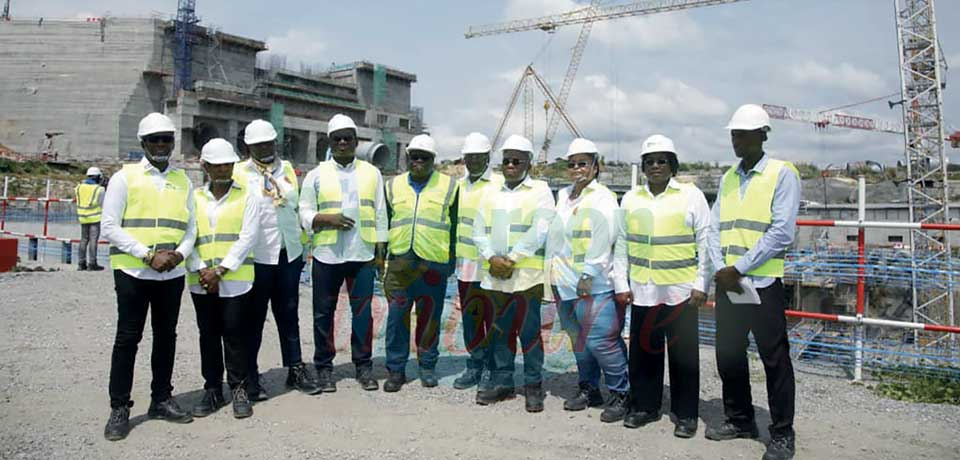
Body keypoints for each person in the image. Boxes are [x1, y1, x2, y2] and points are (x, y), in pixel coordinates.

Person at [707, 104, 800, 460]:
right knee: (728, 355)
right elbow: (715, 228)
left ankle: (782, 434)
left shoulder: (782, 174)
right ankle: (740, 418)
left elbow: (781, 232)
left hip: (760, 282)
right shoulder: (728, 177)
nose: (736, 141)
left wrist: (739, 268)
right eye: (733, 134)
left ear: (763, 135)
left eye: (743, 134)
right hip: (730, 283)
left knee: (774, 358)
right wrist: (721, 268)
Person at [101, 112, 196, 441]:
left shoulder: (183, 181)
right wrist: (147, 255)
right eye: (154, 139)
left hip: (170, 273)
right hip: (133, 271)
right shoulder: (124, 178)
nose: (160, 144)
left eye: (166, 139)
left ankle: (161, 399)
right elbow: (109, 226)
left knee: (166, 337)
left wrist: (179, 254)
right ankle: (119, 407)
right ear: (142, 143)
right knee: (128, 338)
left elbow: (192, 228)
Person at [613, 134, 711, 437]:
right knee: (644, 352)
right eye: (650, 161)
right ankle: (644, 406)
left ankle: (686, 414)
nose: (656, 166)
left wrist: (701, 283)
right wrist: (620, 281)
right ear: (643, 166)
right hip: (643, 289)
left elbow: (706, 241)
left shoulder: (691, 195)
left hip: (681, 290)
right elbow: (622, 244)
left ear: (672, 165)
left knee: (683, 356)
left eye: (662, 161)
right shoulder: (631, 199)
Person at [300, 114, 388, 392]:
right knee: (323, 313)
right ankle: (324, 368)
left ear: (355, 141)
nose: (342, 143)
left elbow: (380, 212)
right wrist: (326, 219)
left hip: (361, 253)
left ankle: (363, 366)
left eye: (347, 138)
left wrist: (381, 251)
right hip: (327, 254)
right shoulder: (316, 175)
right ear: (330, 141)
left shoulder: (371, 173)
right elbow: (303, 211)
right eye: (337, 138)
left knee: (363, 313)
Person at [547, 138, 629, 422]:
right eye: (572, 164)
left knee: (601, 340)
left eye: (583, 163)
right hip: (564, 282)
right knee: (578, 340)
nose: (576, 169)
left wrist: (589, 273)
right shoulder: (563, 195)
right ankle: (589, 388)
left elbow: (604, 236)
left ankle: (621, 393)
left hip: (592, 283)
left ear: (596, 166)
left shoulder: (603, 197)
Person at [472, 134, 554, 412]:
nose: (510, 164)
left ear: (528, 163)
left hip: (526, 278)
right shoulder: (491, 192)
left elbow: (540, 230)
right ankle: (502, 382)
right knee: (499, 332)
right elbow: (478, 229)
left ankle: (533, 387)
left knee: (529, 333)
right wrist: (491, 258)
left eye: (516, 160)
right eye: (506, 159)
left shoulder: (540, 190)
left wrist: (512, 259)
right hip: (495, 276)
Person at [238, 119, 319, 399]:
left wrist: (302, 249)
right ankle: (250, 375)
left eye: (269, 142)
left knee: (289, 313)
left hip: (288, 254)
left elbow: (295, 210)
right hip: (257, 256)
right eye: (258, 144)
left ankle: (295, 368)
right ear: (248, 146)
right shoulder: (239, 174)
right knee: (254, 318)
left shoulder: (287, 171)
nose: (265, 148)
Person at [186, 139, 260, 419]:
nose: (223, 170)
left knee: (235, 335)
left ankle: (239, 387)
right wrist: (202, 268)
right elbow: (188, 236)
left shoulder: (247, 196)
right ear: (205, 166)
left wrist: (220, 270)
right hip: (201, 280)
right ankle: (213, 389)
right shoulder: (193, 198)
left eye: (228, 164)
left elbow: (247, 237)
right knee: (208, 335)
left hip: (236, 280)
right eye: (217, 166)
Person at [382, 134, 458, 392]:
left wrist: (450, 262)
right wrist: (383, 258)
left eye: (424, 157)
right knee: (396, 319)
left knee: (430, 318)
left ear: (433, 160)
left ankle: (427, 366)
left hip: (433, 264)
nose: (418, 161)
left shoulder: (449, 186)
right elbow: (386, 222)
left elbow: (455, 227)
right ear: (407, 158)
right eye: (414, 156)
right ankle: (396, 370)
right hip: (401, 263)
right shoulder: (392, 186)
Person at [452, 133, 503, 390]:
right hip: (466, 266)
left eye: (478, 157)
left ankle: (493, 369)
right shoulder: (459, 186)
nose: (472, 161)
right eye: (468, 157)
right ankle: (475, 364)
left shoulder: (498, 184)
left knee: (493, 319)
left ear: (487, 157)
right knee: (471, 319)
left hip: (490, 267)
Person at [75, 166, 105, 271]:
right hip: (95, 218)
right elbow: (103, 204)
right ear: (97, 177)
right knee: (93, 240)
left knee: (83, 240)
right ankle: (92, 264)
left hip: (83, 217)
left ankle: (81, 263)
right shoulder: (99, 189)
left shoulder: (78, 187)